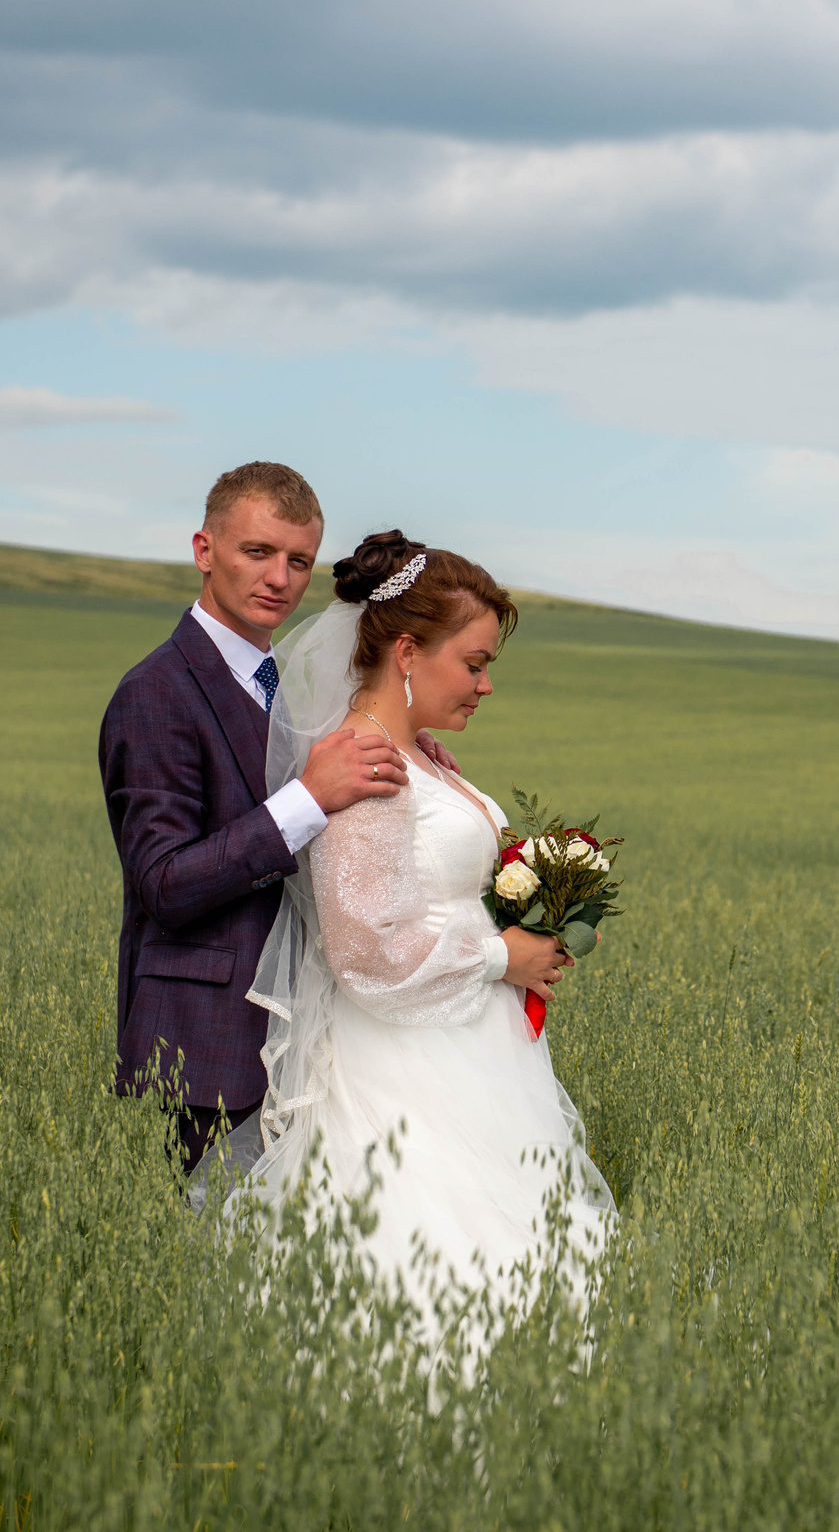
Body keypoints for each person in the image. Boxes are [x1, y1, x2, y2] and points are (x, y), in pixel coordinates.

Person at [242, 529, 612, 1310]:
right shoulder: (367, 762)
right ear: (407, 652)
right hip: (402, 1066)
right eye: (473, 663)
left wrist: (542, 908)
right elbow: (365, 947)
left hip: (468, 1048)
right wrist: (498, 955)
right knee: (444, 1269)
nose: (485, 685)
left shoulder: (421, 754)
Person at [100, 464, 453, 1190]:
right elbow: (164, 881)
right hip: (207, 1046)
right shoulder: (156, 691)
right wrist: (307, 799)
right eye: (257, 551)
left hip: (315, 1037)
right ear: (204, 549)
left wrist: (414, 760)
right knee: (212, 1264)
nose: (279, 578)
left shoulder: (292, 689)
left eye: (298, 561)